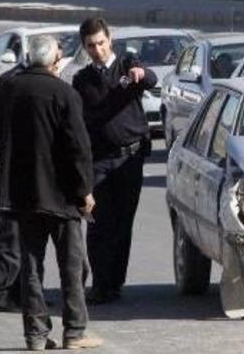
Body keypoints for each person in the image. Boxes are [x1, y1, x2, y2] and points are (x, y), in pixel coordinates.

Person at [0, 35, 102, 350]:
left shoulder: (8, 89)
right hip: (62, 194)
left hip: (23, 192)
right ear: (55, 61)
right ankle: (74, 331)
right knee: (72, 266)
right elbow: (78, 147)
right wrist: (84, 190)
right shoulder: (65, 93)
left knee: (31, 266)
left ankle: (35, 334)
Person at [72, 18, 156, 304]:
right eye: (91, 46)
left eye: (101, 43)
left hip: (129, 158)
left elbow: (150, 79)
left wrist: (139, 71)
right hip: (99, 161)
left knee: (122, 223)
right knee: (98, 224)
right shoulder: (82, 80)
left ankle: (115, 282)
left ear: (110, 40)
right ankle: (100, 283)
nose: (97, 50)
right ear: (84, 47)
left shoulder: (126, 66)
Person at [0, 60, 26, 312]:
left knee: (25, 234)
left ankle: (22, 292)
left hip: (21, 169)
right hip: (10, 169)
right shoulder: (10, 82)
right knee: (10, 232)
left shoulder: (15, 81)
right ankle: (2, 293)